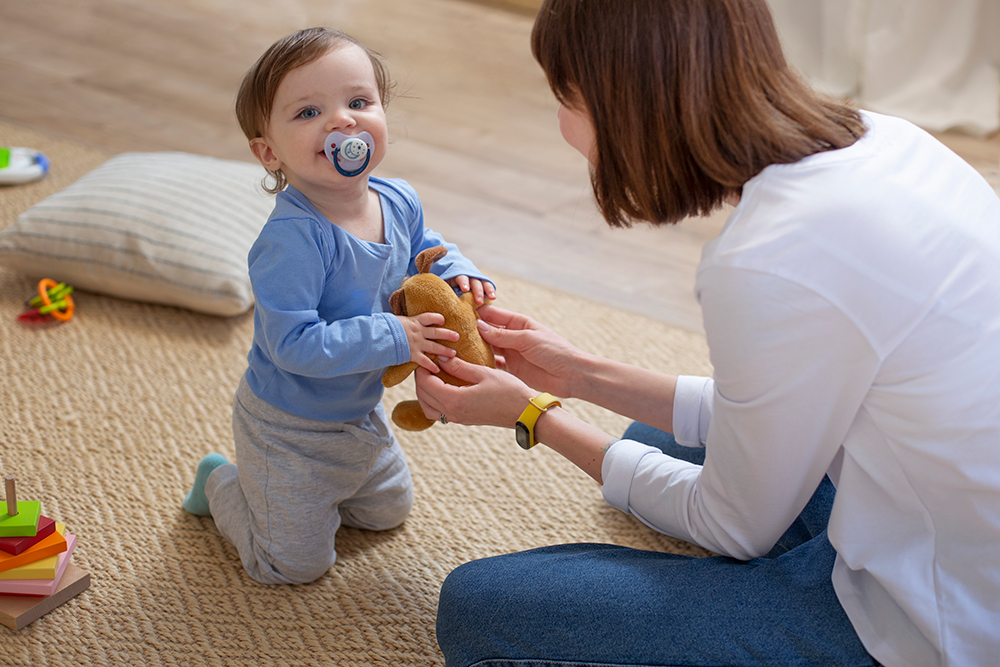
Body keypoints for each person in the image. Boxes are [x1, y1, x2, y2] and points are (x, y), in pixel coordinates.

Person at [413, 1, 1000, 665]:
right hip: (945, 520)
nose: (560, 123)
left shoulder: (765, 260)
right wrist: (578, 372)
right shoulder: (886, 139)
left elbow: (731, 526)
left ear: (626, 105)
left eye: (566, 97)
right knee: (650, 440)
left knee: (477, 607)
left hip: (939, 622)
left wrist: (533, 413)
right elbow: (793, 398)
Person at [181, 27, 495, 585]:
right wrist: (395, 337)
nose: (343, 122)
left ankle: (312, 497)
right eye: (308, 112)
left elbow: (425, 247)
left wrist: (458, 271)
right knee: (292, 567)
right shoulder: (292, 242)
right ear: (268, 152)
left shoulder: (397, 198)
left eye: (358, 102)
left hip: (360, 412)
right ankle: (223, 484)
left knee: (387, 514)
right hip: (290, 429)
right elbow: (292, 344)